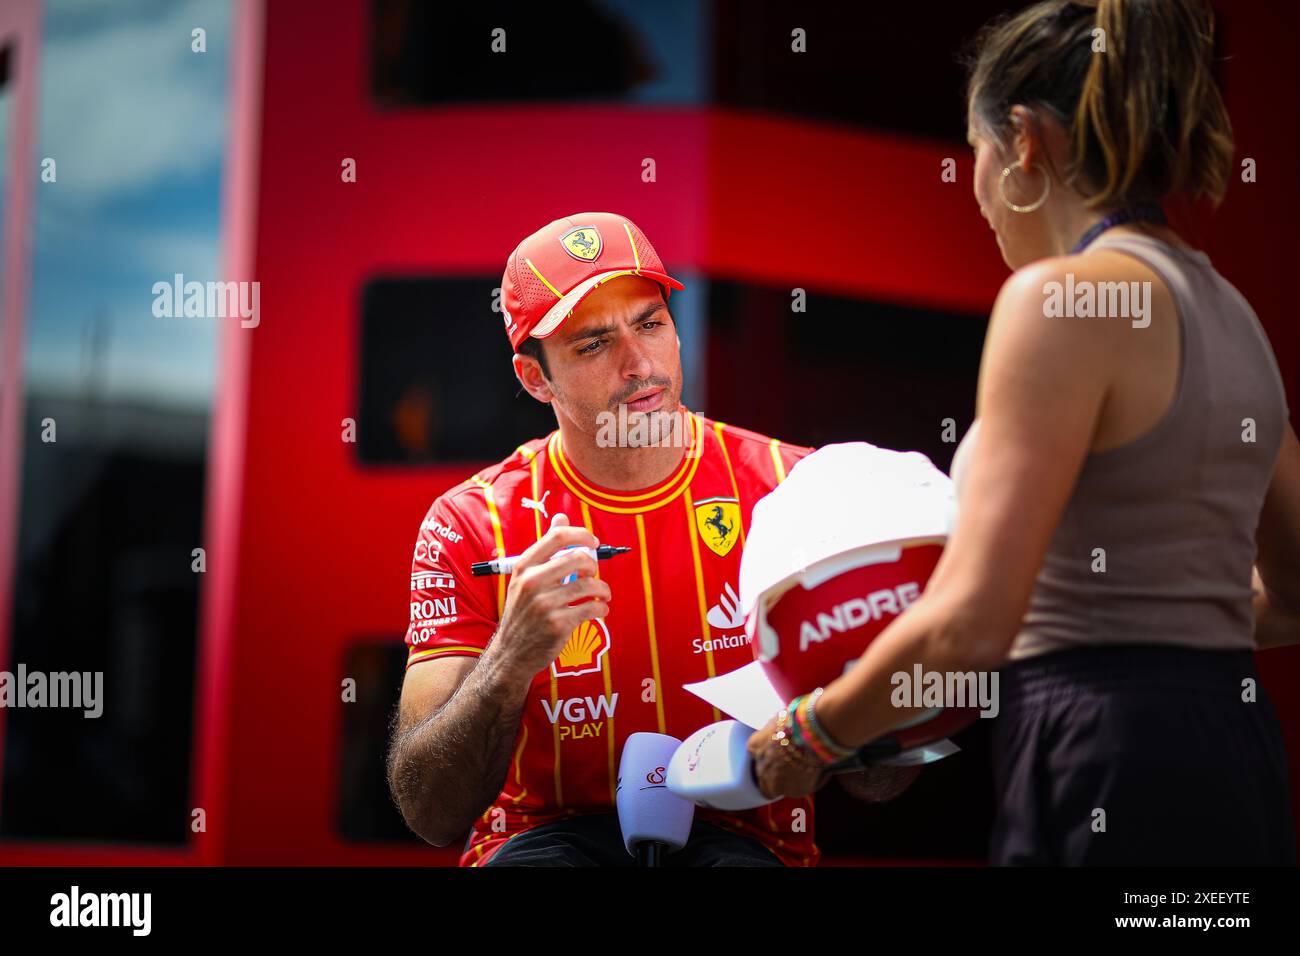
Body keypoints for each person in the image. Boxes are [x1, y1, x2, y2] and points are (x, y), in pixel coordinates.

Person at [747, 0, 1299, 865]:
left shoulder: (1056, 304)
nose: (973, 190)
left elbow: (972, 624)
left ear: (1022, 144)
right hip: (1236, 748)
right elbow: (1295, 593)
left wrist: (808, 734)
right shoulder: (1234, 315)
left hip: (1105, 753)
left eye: (973, 154)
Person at [386, 212, 908, 867]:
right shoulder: (470, 522)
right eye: (594, 343)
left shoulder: (795, 486)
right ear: (535, 379)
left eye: (651, 323)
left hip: (750, 838)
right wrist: (509, 660)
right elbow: (431, 812)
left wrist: (906, 660)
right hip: (539, 838)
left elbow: (878, 782)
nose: (639, 364)